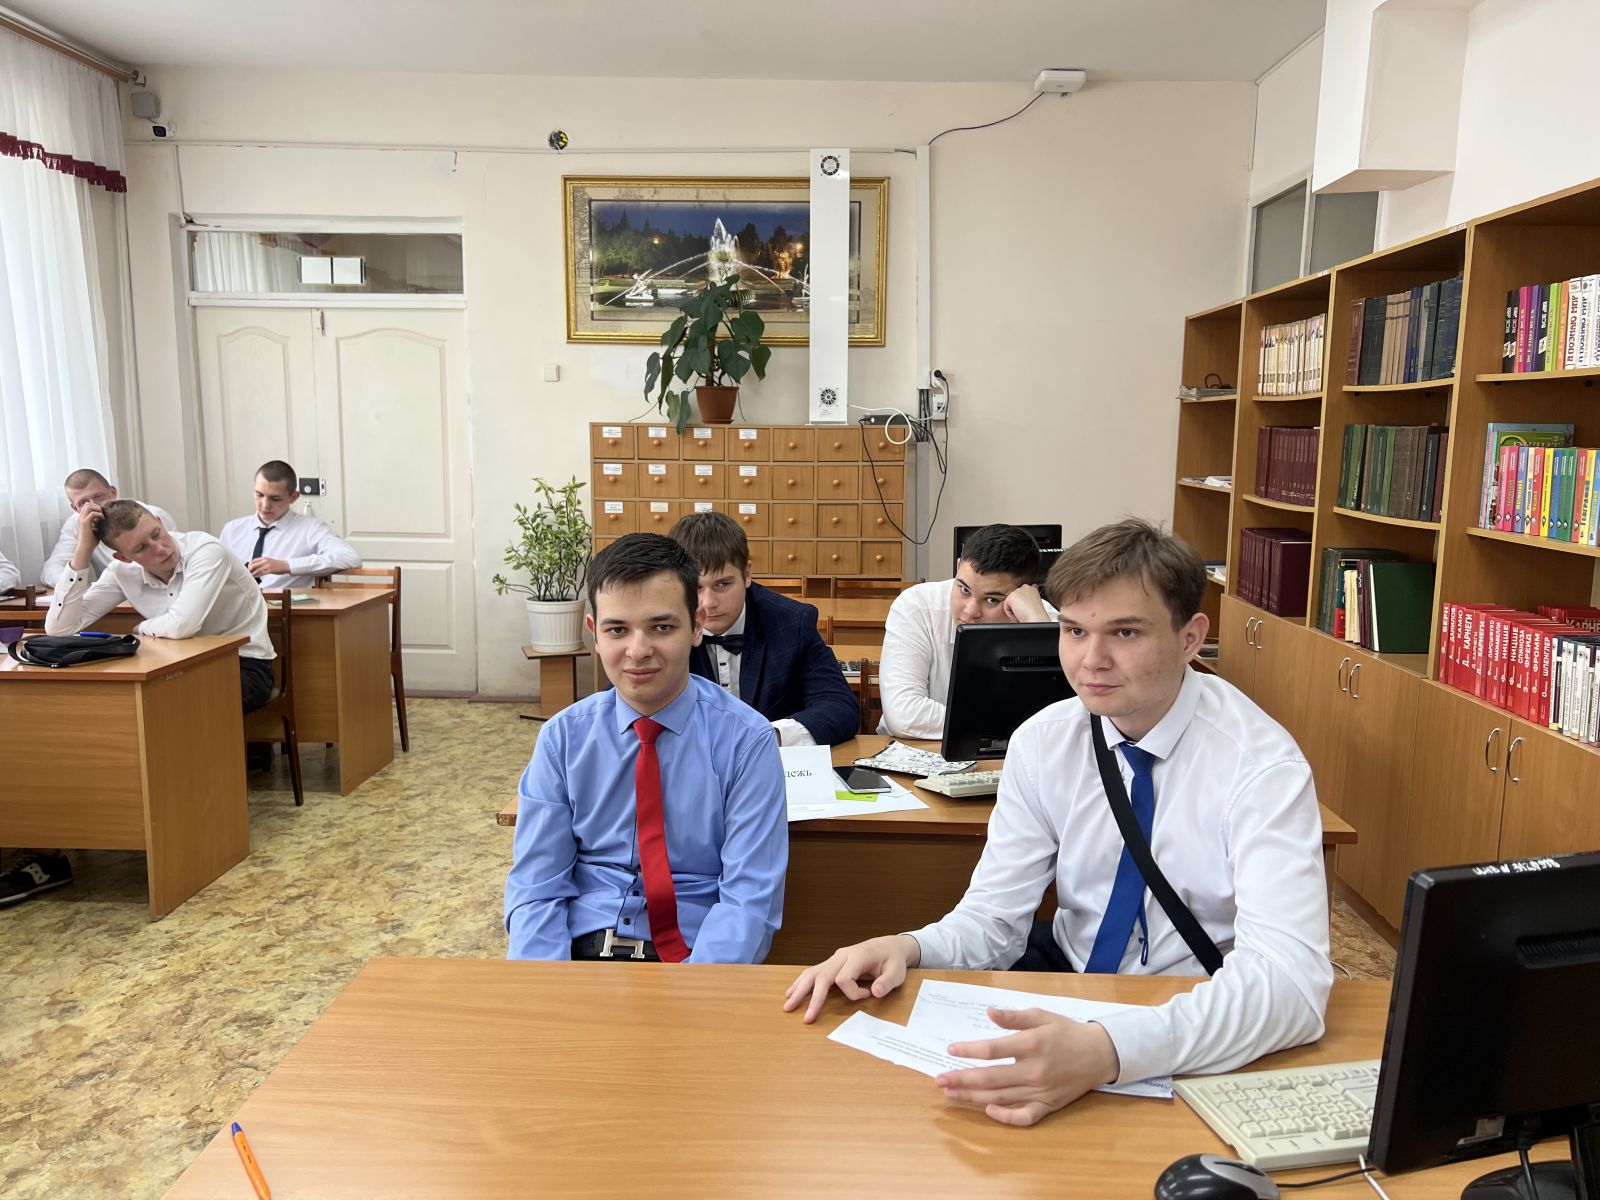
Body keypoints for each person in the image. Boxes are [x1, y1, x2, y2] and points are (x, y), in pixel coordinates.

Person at [783, 518, 1331, 1128]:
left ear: (1190, 638)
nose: (1091, 660)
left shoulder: (1261, 765)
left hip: (1201, 1004)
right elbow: (994, 921)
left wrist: (1109, 1050)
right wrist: (908, 947)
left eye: (1125, 632)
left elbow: (1292, 984)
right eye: (1074, 631)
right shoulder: (1044, 741)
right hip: (1071, 983)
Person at [505, 532, 788, 964]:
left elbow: (747, 901)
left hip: (695, 957)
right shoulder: (563, 738)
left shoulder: (747, 741)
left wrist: (696, 992)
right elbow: (537, 889)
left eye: (662, 627)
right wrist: (548, 987)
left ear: (697, 626)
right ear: (594, 633)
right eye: (617, 629)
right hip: (579, 956)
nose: (637, 651)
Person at [45, 499, 277, 713]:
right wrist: (83, 550)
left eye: (157, 534)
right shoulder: (121, 571)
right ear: (123, 557)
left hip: (243, 664)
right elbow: (59, 628)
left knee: (175, 707)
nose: (161, 549)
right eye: (141, 548)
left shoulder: (205, 550)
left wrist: (141, 628)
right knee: (118, 704)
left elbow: (182, 625)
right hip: (174, 666)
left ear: (160, 522)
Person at [667, 510, 859, 747]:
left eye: (723, 584)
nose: (708, 603)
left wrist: (769, 737)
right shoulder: (660, 627)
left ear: (747, 574)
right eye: (696, 587)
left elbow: (840, 706)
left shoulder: (792, 622)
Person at [877, 523, 1052, 739]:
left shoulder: (1044, 619)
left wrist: (1037, 627)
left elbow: (1063, 721)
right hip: (914, 746)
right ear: (958, 566)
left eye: (992, 600)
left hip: (1005, 753)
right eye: (964, 589)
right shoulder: (917, 606)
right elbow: (904, 716)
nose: (970, 612)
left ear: (1025, 594)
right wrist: (1011, 723)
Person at [218, 460, 361, 589]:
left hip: (286, 607)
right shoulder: (232, 530)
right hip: (236, 607)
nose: (265, 505)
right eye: (259, 495)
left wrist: (287, 565)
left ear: (293, 497)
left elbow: (350, 558)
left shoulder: (311, 529)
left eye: (275, 498)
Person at [39, 469, 177, 588]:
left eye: (98, 497)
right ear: (75, 508)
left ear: (113, 492)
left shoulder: (149, 516)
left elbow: (172, 562)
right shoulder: (76, 524)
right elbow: (50, 570)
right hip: (111, 596)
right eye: (83, 503)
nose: (94, 506)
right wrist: (84, 547)